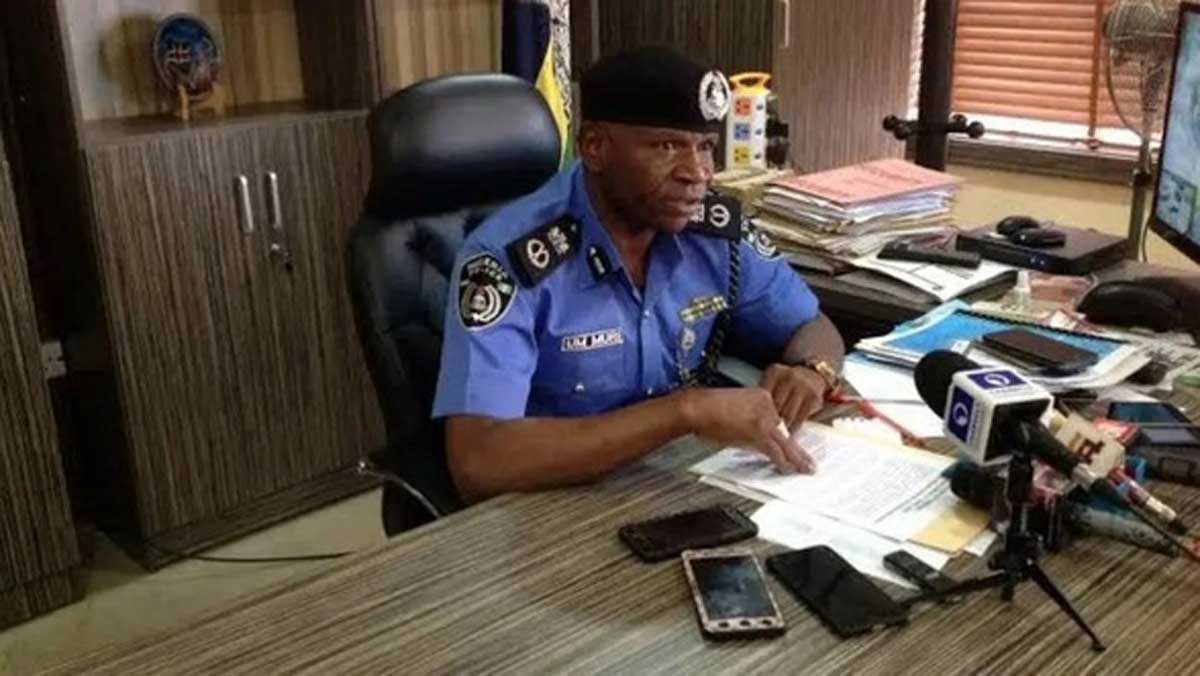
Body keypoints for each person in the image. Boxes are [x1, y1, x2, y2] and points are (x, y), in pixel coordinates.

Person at [433, 46, 845, 504]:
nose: (697, 174)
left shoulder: (711, 231)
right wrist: (683, 412)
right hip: (553, 502)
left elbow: (812, 325)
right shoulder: (508, 260)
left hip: (676, 482)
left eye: (705, 147)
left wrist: (814, 372)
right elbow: (478, 462)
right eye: (667, 146)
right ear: (595, 147)